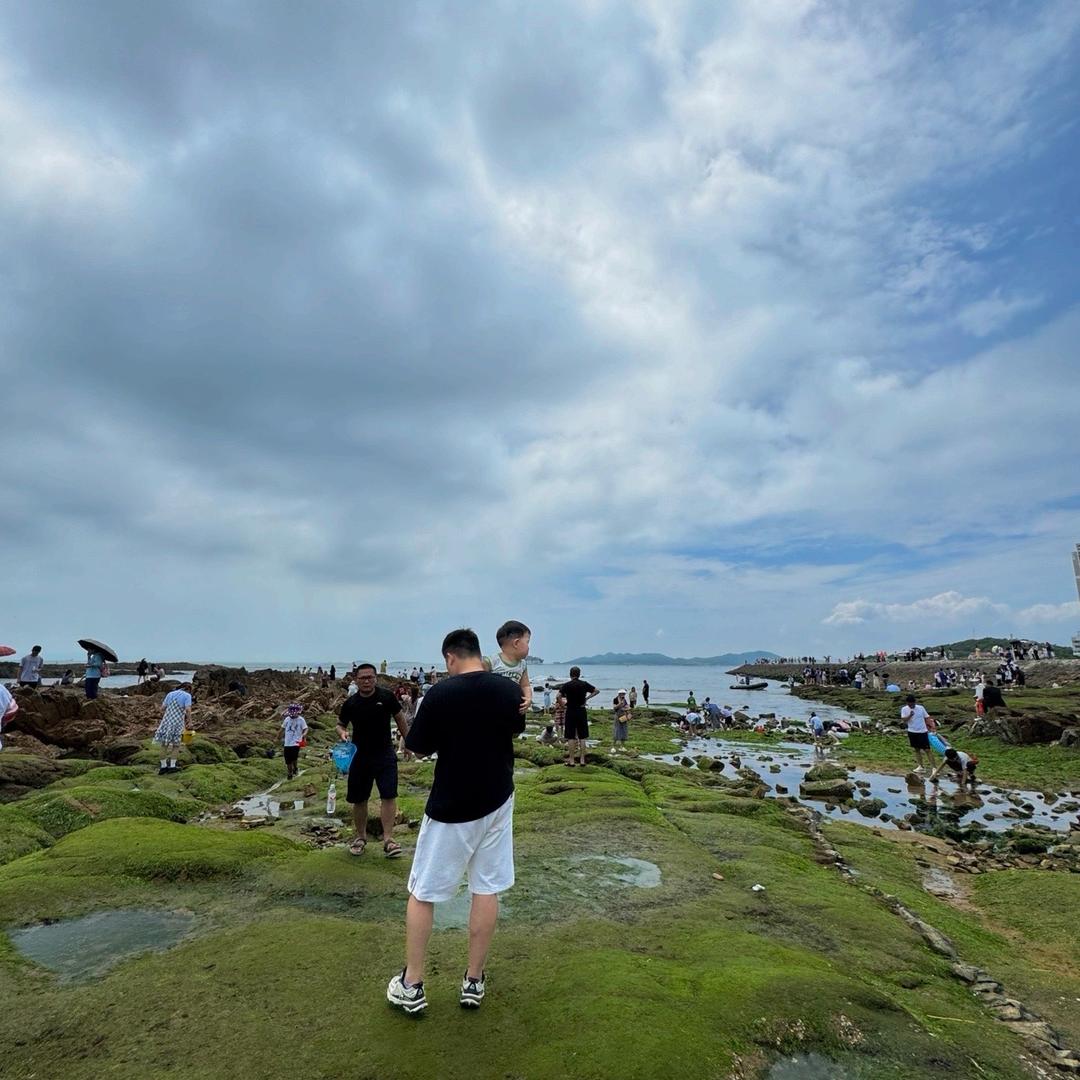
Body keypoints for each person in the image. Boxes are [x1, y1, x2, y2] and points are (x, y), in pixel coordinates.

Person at [387, 628, 525, 1015]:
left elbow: (417, 745)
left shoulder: (441, 694)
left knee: (423, 892)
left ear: (450, 658)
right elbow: (514, 729)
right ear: (478, 654)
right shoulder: (506, 690)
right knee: (486, 887)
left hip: (451, 805)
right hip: (498, 797)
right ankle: (474, 980)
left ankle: (412, 984)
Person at [336, 663, 409, 858]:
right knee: (359, 799)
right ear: (356, 680)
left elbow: (400, 718)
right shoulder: (351, 703)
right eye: (363, 678)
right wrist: (343, 734)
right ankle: (360, 837)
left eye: (370, 677)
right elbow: (340, 725)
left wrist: (408, 742)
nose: (367, 681)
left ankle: (388, 839)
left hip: (385, 754)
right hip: (359, 756)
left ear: (376, 678)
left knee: (388, 795)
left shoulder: (386, 697)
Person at [483, 620, 533, 713]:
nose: (528, 647)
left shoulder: (522, 664)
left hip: (513, 708)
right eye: (527, 642)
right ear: (516, 643)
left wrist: (528, 698)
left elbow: (525, 685)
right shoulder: (491, 661)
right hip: (493, 707)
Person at [560, 666, 598, 767]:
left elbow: (558, 696)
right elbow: (596, 691)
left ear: (570, 674)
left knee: (571, 737)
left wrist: (562, 705)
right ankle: (582, 760)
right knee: (582, 736)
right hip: (581, 710)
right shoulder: (584, 684)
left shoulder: (567, 685)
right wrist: (587, 698)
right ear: (579, 674)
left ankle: (572, 760)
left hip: (571, 710)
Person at [153, 683, 193, 774]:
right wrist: (190, 721)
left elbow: (162, 708)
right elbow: (188, 709)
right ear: (188, 689)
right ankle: (172, 766)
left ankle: (163, 767)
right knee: (176, 745)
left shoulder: (170, 694)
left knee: (164, 745)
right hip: (177, 723)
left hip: (166, 722)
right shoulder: (187, 695)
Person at [900, 694, 933, 774]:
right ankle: (921, 766)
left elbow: (927, 717)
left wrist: (931, 727)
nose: (911, 706)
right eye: (909, 704)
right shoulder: (904, 709)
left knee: (927, 750)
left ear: (915, 702)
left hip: (922, 731)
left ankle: (934, 767)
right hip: (912, 731)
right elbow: (904, 719)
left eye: (912, 704)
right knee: (916, 749)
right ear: (907, 703)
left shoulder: (921, 708)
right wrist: (910, 715)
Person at [281, 703, 307, 780]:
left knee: (294, 757)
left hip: (296, 742)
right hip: (287, 743)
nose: (292, 715)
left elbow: (305, 728)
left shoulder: (301, 720)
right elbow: (282, 728)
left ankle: (294, 768)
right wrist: (277, 737)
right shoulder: (287, 719)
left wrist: (304, 734)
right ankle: (290, 772)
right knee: (287, 759)